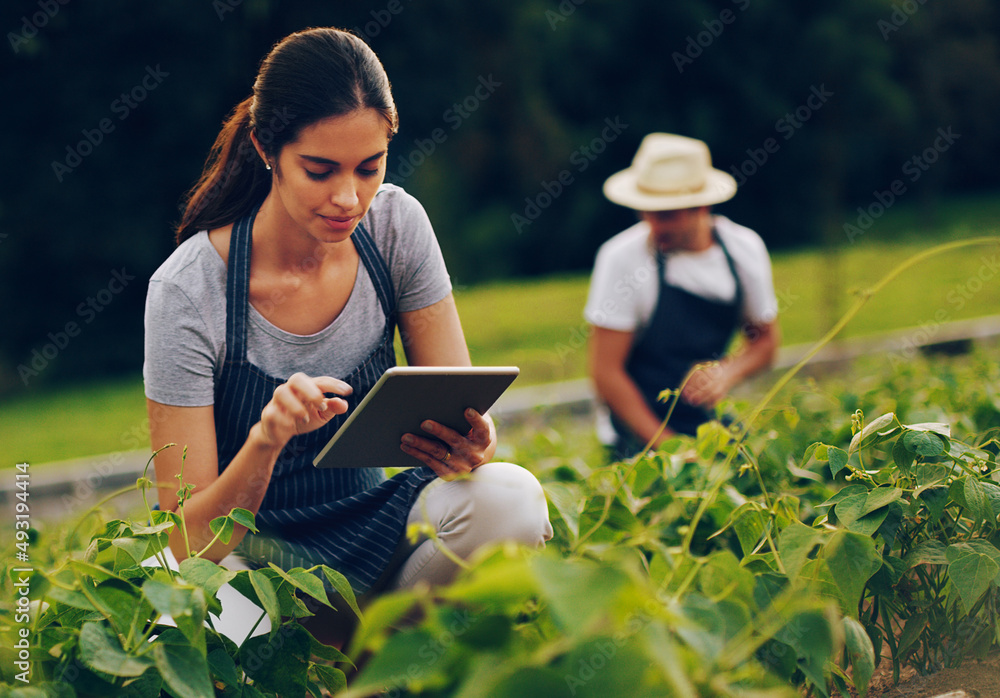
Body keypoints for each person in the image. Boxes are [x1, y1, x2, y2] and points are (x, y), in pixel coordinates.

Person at [142, 27, 553, 630]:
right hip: (252, 565)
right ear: (265, 148)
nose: (348, 197)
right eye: (320, 170)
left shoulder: (395, 228)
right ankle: (362, 674)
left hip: (372, 527)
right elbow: (187, 544)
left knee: (510, 499)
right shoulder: (187, 292)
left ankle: (364, 668)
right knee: (180, 612)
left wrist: (473, 443)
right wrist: (267, 438)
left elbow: (457, 403)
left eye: (369, 168)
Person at [584, 133, 780, 459]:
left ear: (701, 206)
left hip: (705, 423)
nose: (654, 225)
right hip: (637, 430)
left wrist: (726, 373)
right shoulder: (622, 259)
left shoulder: (744, 249)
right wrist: (671, 450)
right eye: (646, 213)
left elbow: (766, 342)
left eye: (666, 215)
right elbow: (606, 373)